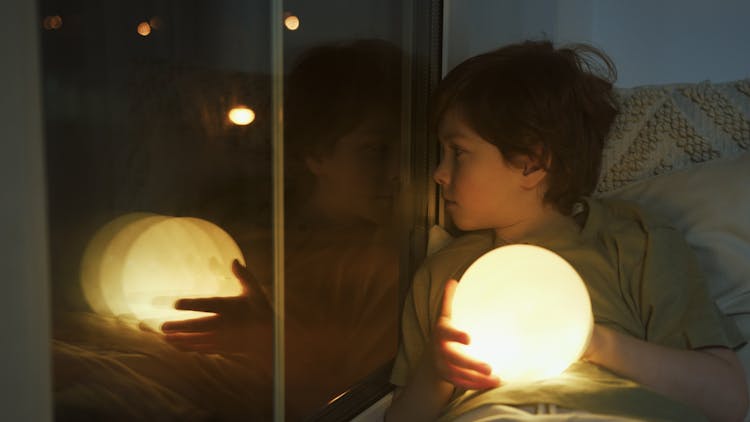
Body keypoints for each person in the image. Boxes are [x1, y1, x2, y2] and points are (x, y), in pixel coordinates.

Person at [385, 40, 748, 422]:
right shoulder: (444, 275)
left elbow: (727, 399)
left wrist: (590, 340)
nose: (439, 174)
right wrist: (436, 371)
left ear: (532, 162)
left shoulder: (634, 241)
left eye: (458, 152)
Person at [161, 39, 403, 420]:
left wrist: (267, 343)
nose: (398, 171)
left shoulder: (386, 268)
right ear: (315, 153)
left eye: (409, 149)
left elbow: (359, 407)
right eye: (375, 150)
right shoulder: (251, 233)